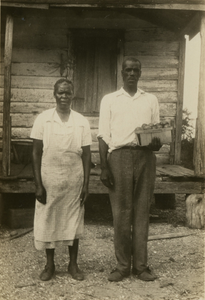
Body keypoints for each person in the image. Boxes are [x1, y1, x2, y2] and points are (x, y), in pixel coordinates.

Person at [98, 57, 162, 282]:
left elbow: (156, 134)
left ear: (141, 73)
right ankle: (123, 266)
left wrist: (156, 142)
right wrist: (104, 167)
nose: (132, 73)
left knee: (142, 211)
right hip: (119, 157)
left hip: (145, 157)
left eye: (136, 70)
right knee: (121, 213)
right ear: (122, 73)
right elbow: (103, 135)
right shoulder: (110, 100)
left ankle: (141, 267)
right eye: (128, 70)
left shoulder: (151, 99)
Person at [30, 78, 92, 281]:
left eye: (68, 93)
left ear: (73, 95)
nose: (64, 96)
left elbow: (86, 154)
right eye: (60, 93)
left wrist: (86, 185)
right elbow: (36, 152)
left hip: (74, 178)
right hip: (50, 178)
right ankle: (50, 265)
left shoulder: (81, 121)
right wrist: (38, 184)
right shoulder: (43, 119)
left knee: (73, 220)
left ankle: (73, 265)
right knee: (49, 220)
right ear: (54, 94)